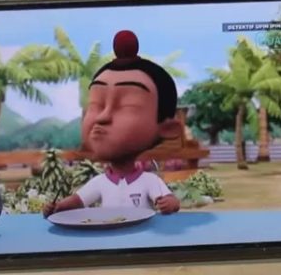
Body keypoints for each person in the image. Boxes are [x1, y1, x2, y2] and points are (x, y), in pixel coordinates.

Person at [43, 30, 181, 217]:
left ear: (167, 129)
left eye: (127, 105)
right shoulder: (100, 182)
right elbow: (77, 201)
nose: (102, 117)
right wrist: (56, 207)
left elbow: (172, 201)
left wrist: (170, 203)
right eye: (96, 104)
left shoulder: (149, 181)